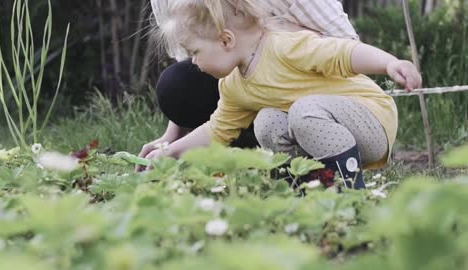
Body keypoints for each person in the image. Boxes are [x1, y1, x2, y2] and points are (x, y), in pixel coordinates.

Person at [139, 0, 422, 190]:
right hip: (321, 124)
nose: (194, 63)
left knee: (302, 111)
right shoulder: (234, 86)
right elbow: (217, 130)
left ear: (226, 40)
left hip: (370, 119)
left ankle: (349, 189)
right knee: (267, 120)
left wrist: (389, 64)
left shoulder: (284, 46)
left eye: (195, 53)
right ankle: (306, 185)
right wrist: (170, 151)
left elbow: (343, 52)